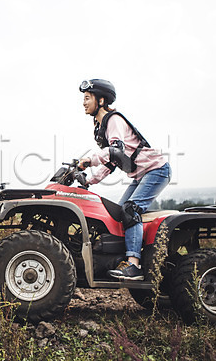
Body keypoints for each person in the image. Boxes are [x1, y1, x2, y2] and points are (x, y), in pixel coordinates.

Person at [77, 79, 171, 280]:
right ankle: (127, 257)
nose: (83, 103)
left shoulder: (114, 121)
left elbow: (114, 151)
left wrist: (89, 160)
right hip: (141, 174)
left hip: (156, 170)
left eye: (87, 98)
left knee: (130, 210)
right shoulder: (102, 126)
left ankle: (133, 265)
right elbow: (111, 163)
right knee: (119, 214)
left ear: (101, 100)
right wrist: (89, 181)